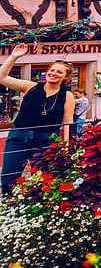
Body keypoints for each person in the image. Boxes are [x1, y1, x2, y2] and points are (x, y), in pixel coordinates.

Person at [0, 45, 75, 195]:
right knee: (9, 178)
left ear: (66, 77)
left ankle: (37, 205)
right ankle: (9, 203)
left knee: (43, 180)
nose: (53, 73)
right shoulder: (31, 87)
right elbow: (2, 78)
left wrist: (67, 148)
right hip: (18, 137)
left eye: (59, 72)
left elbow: (68, 123)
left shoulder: (67, 96)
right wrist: (14, 57)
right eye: (52, 70)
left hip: (47, 140)